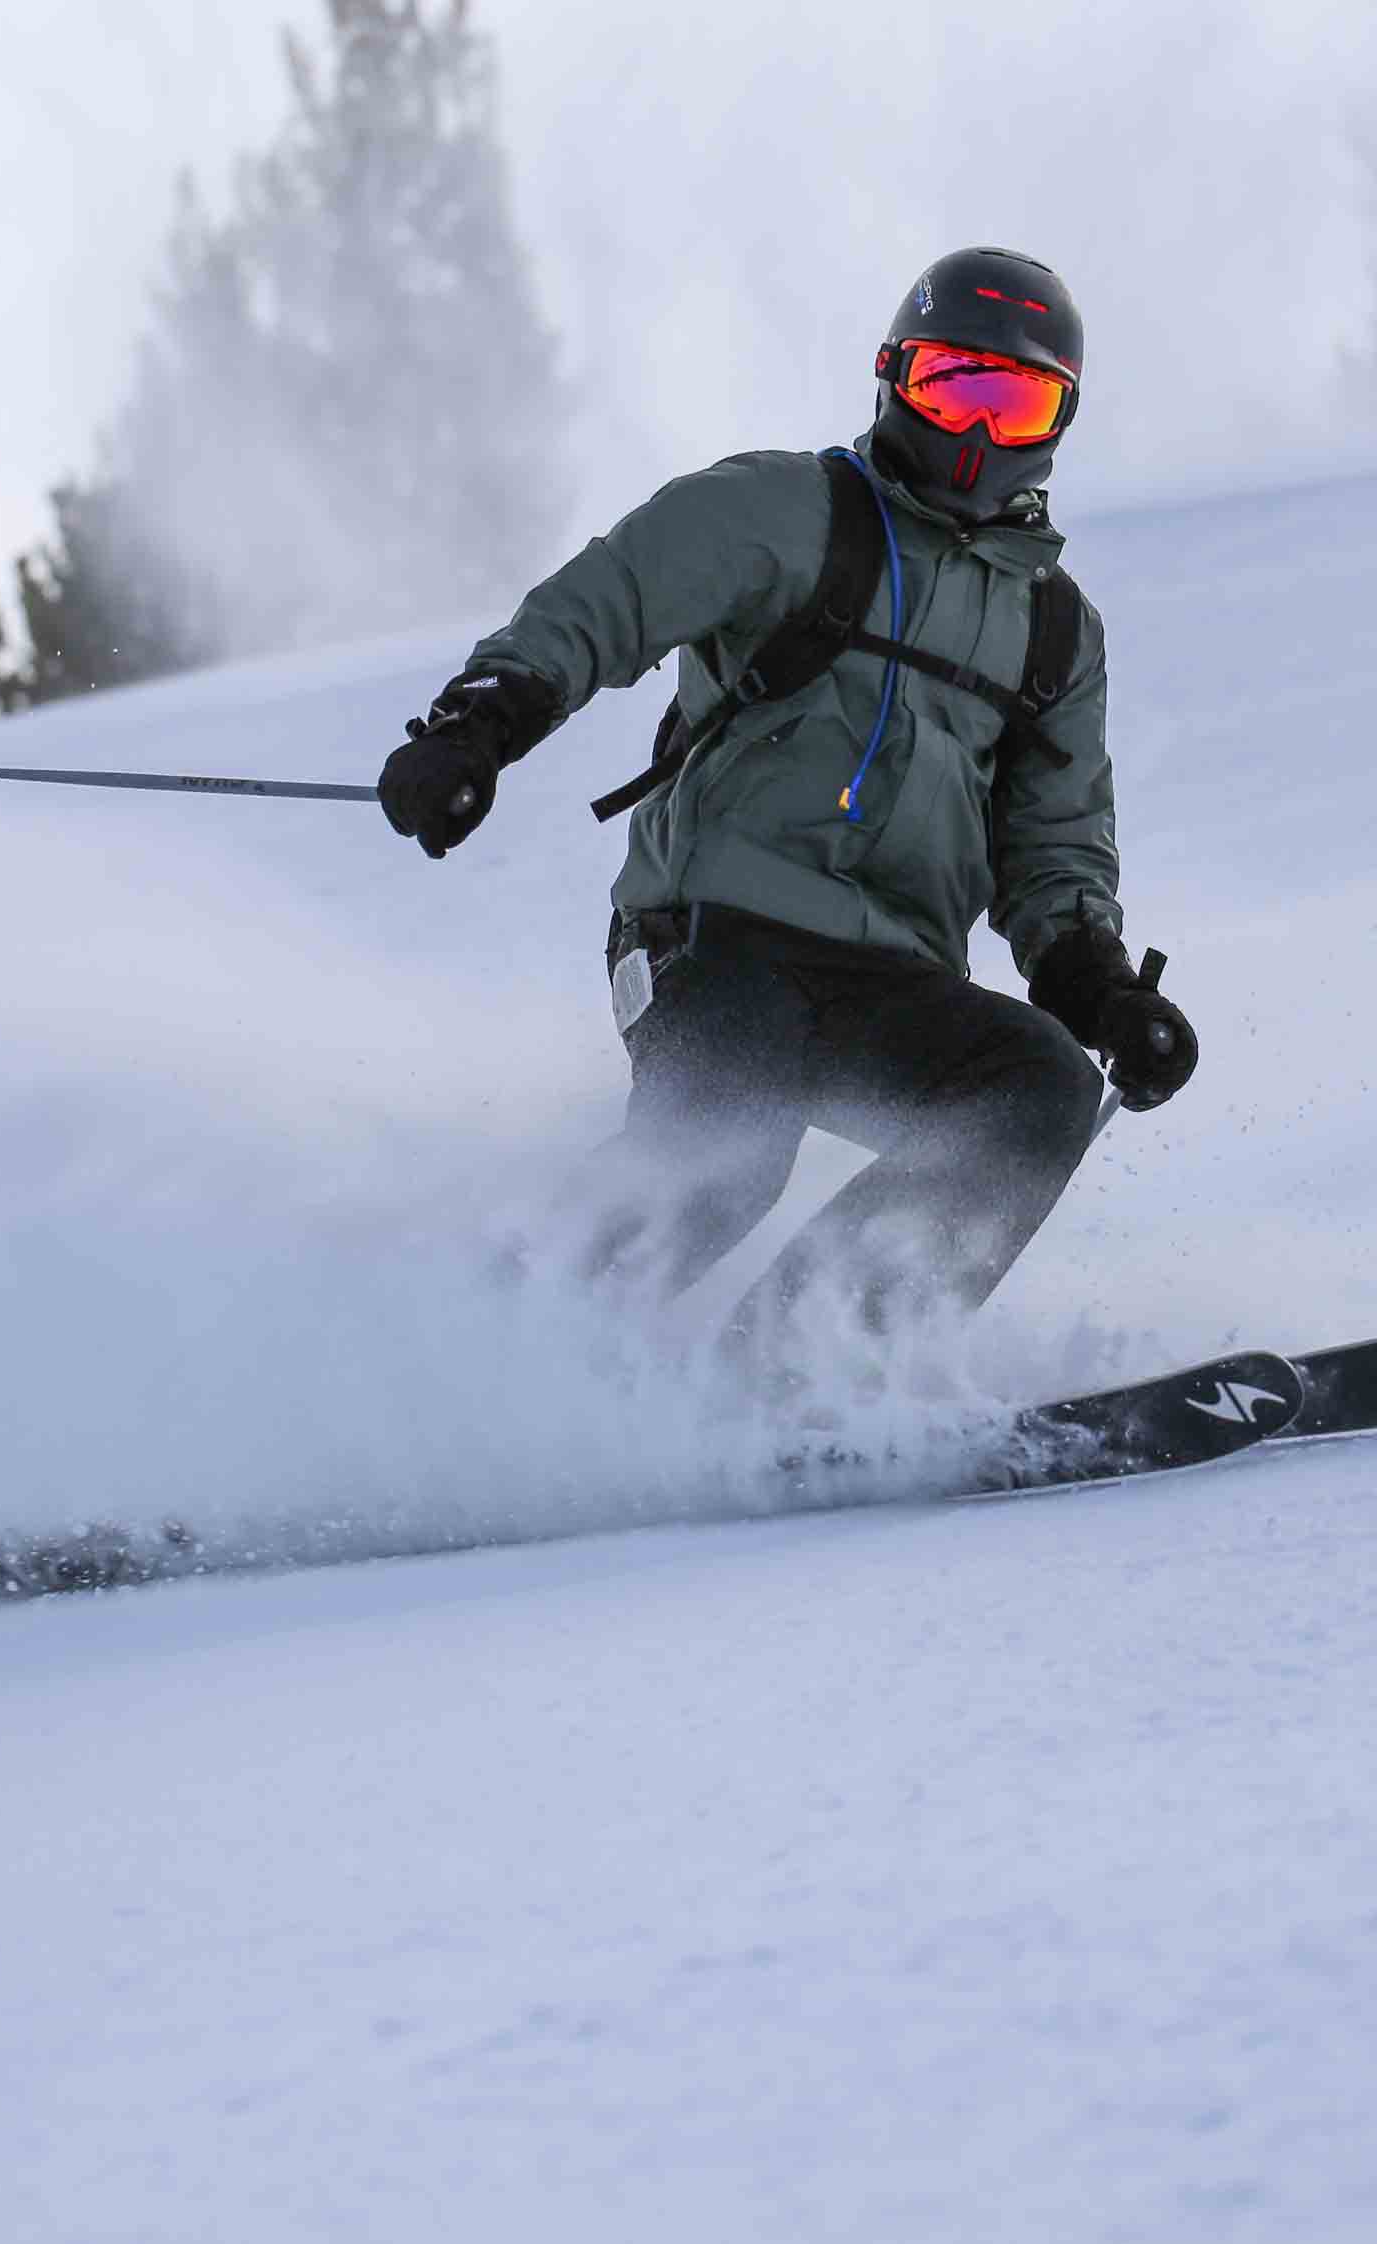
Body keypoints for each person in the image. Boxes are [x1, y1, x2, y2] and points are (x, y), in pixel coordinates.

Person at [376, 245, 1198, 1397]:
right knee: (729, 1152)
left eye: (1013, 400)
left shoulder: (1053, 630)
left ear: (1057, 420)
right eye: (948, 385)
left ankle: (795, 1371)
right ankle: (457, 1366)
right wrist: (480, 724)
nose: (974, 429)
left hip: (888, 978)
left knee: (1036, 1087)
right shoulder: (785, 512)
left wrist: (1100, 987)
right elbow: (609, 599)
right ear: (889, 377)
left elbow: (1051, 845)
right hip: (711, 937)